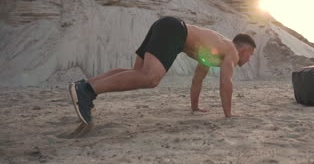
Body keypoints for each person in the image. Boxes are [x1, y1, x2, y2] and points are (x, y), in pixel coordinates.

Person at [69, 16, 256, 125]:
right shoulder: (231, 51)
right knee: (150, 78)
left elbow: (198, 79)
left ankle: (86, 85)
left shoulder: (217, 49)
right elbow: (226, 82)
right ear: (244, 50)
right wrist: (229, 114)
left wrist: (194, 107)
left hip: (167, 25)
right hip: (175, 31)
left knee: (138, 72)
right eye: (251, 55)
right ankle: (86, 92)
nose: (249, 59)